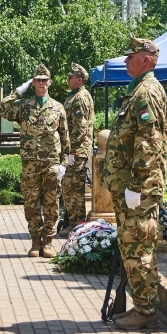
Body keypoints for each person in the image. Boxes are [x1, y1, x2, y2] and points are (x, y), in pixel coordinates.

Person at [102, 36, 167, 330]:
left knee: (138, 249)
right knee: (133, 247)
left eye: (132, 56)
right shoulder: (138, 90)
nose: (126, 60)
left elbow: (149, 143)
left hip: (138, 189)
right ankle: (142, 307)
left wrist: (136, 185)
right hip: (130, 186)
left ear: (148, 59)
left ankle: (145, 312)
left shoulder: (147, 92)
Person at [0, 64, 69, 258]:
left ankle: (48, 242)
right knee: (31, 203)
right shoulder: (24, 106)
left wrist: (64, 164)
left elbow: (65, 137)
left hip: (52, 163)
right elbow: (1, 107)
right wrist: (18, 91)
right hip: (30, 164)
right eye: (37, 80)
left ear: (50, 83)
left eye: (44, 80)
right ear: (33, 82)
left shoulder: (58, 107)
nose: (41, 83)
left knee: (52, 203)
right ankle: (35, 242)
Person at [58, 62, 95, 237]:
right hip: (74, 151)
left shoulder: (80, 97)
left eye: (70, 77)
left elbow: (80, 128)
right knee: (69, 189)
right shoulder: (74, 96)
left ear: (79, 79)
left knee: (74, 190)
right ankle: (73, 222)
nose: (68, 79)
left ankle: (77, 225)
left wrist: (69, 150)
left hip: (76, 151)